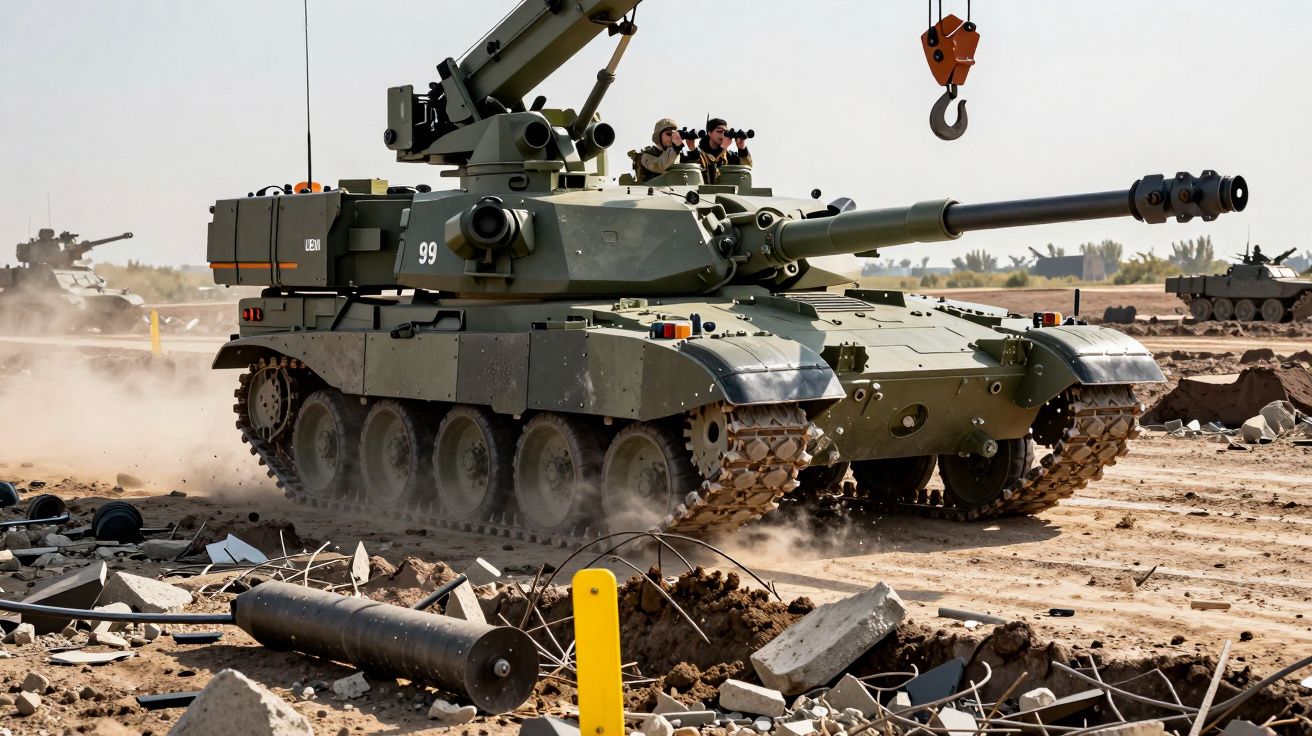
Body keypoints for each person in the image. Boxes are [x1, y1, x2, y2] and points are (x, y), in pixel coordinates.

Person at [688, 118, 752, 184]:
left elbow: (746, 168)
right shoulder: (699, 155)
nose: (723, 135)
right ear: (709, 133)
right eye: (719, 131)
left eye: (726, 132)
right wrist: (722, 148)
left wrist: (742, 148)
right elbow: (699, 166)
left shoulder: (729, 156)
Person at [630, 118, 685, 183]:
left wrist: (692, 149)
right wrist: (676, 148)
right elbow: (659, 166)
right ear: (658, 136)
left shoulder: (676, 153)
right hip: (652, 190)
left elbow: (692, 168)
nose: (672, 137)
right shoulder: (645, 156)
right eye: (669, 134)